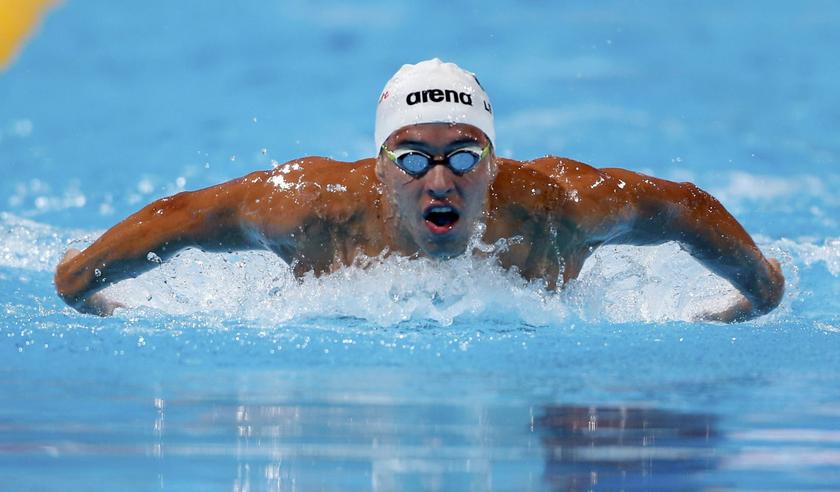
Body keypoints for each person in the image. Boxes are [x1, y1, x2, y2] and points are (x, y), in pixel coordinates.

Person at [54, 59, 784, 321]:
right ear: (377, 166)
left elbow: (685, 207)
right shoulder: (312, 208)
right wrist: (80, 280)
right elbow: (181, 217)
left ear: (495, 163)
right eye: (412, 160)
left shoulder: (559, 208)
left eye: (463, 157)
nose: (440, 180)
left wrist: (760, 292)